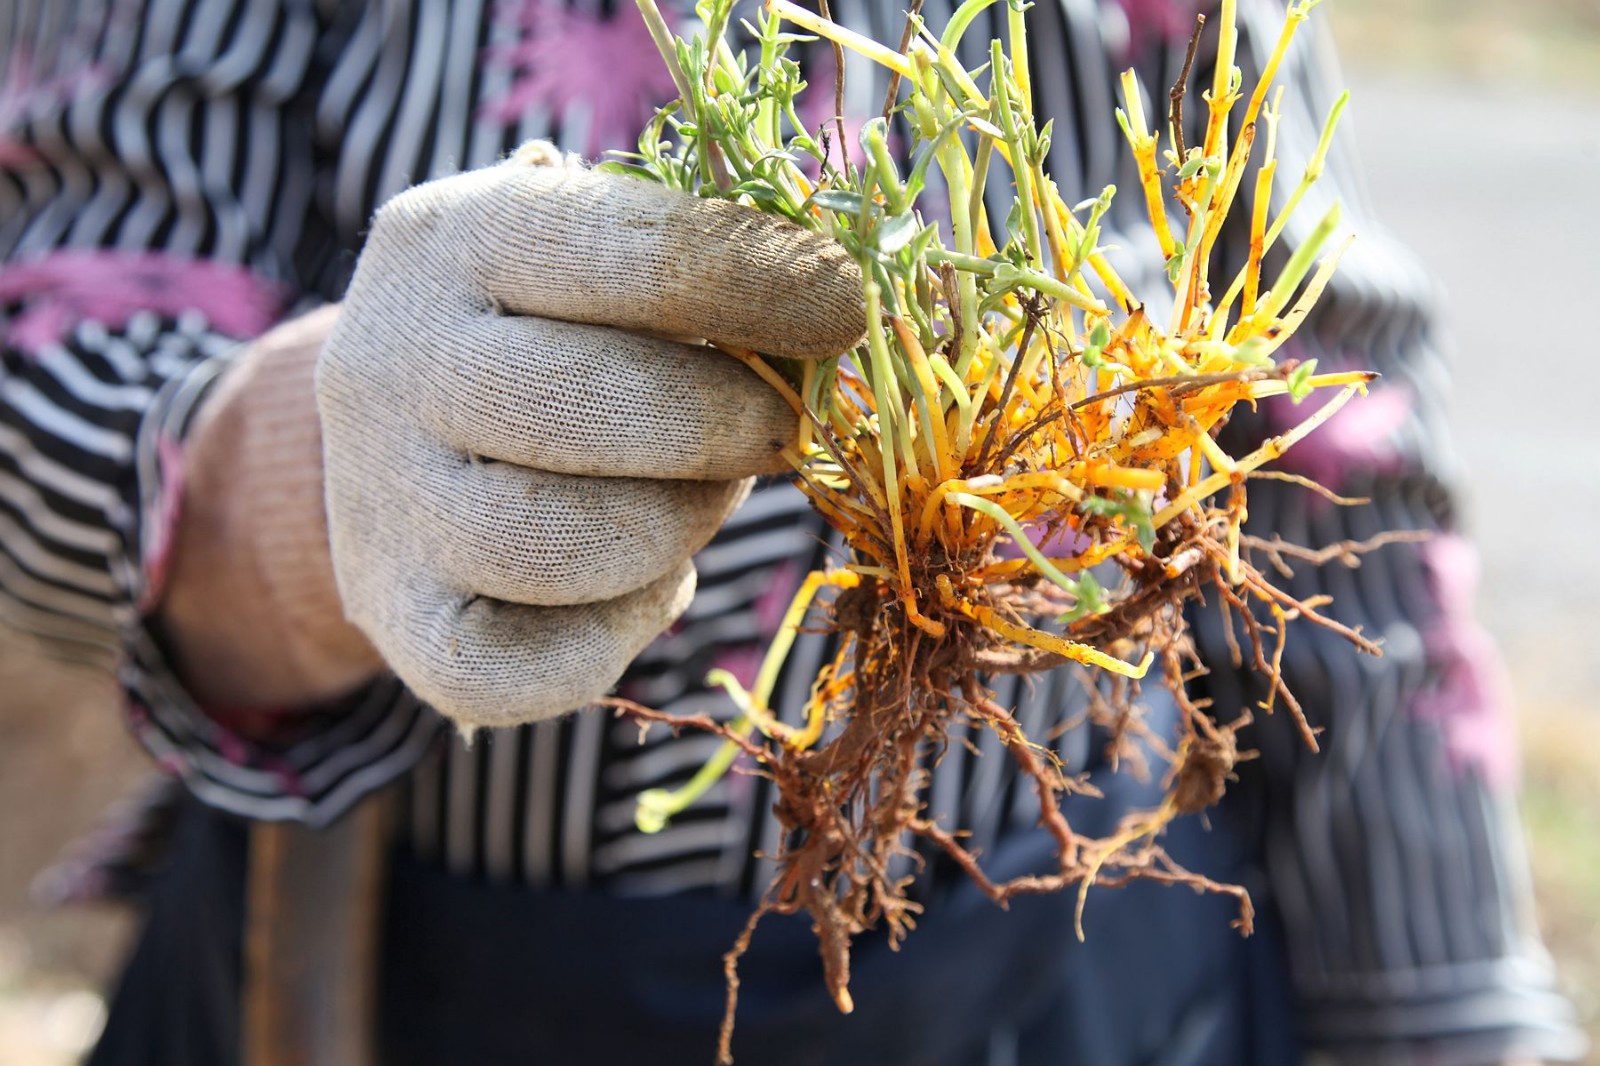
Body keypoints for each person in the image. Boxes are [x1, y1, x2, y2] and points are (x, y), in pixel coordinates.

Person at [0, 0, 1584, 1062]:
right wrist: (300, 476)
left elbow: (1341, 429)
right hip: (415, 977)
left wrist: (1453, 1019)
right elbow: (46, 375)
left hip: (1082, 962)